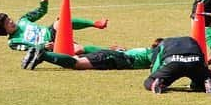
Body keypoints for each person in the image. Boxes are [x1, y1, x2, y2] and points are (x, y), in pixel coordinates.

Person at [0, 0, 108, 67]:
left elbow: (41, 11)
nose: (10, 22)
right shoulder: (13, 42)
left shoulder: (23, 20)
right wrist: (44, 46)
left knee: (61, 22)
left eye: (9, 19)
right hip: (49, 46)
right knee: (79, 49)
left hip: (51, 32)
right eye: (7, 23)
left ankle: (95, 24)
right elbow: (29, 48)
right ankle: (110, 51)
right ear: (3, 30)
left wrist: (44, 3)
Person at [143, 36, 211, 94]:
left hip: (173, 63)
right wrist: (206, 74)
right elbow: (202, 59)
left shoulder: (161, 45)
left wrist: (156, 75)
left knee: (149, 81)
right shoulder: (191, 40)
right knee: (204, 81)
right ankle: (206, 82)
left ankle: (159, 83)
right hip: (195, 62)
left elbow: (155, 66)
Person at [23, 40, 160, 71]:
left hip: (110, 55)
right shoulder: (152, 53)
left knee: (76, 60)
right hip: (112, 59)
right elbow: (155, 64)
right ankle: (43, 54)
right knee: (77, 64)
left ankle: (40, 53)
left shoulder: (144, 50)